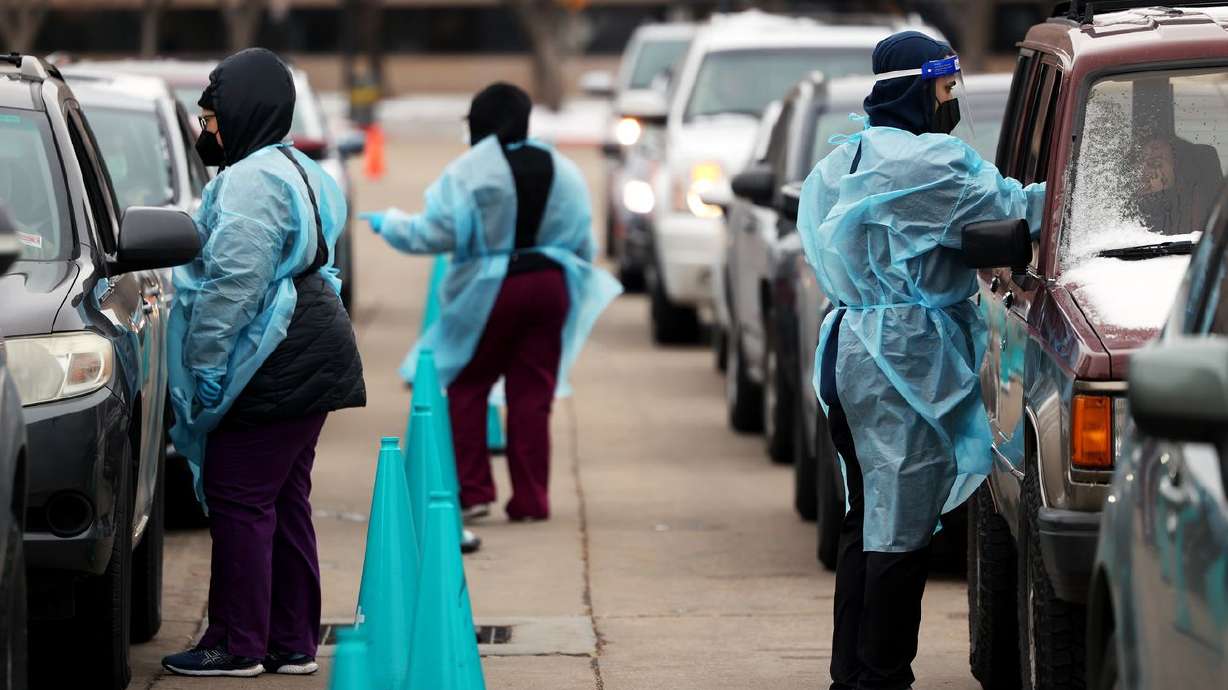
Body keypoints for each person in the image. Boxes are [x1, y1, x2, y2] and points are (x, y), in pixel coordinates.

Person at [797, 32, 1045, 690]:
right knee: (899, 531)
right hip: (903, 363)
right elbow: (1015, 212)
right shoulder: (932, 164)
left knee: (864, 520)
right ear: (917, 89)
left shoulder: (845, 157)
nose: (951, 101)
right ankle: (883, 678)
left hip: (849, 349)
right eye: (945, 88)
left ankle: (849, 674)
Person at [162, 48, 366, 677]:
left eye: (212, 116)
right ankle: (291, 641)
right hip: (312, 341)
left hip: (275, 352)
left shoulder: (250, 182)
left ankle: (238, 644)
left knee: (239, 498)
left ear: (243, 111)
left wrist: (206, 368)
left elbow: (232, 287)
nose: (206, 131)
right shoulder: (294, 166)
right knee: (282, 499)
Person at [361, 82, 621, 523]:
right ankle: (532, 500)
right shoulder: (563, 167)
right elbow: (583, 239)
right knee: (532, 394)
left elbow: (435, 233)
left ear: (478, 124)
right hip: (551, 284)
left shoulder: (472, 170)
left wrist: (391, 225)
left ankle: (476, 491)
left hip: (493, 289)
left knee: (468, 384)